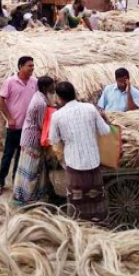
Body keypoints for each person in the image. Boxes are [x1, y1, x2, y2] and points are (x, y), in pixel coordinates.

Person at [49, 82, 111, 222]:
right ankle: (97, 220)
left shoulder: (57, 115)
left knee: (77, 195)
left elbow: (53, 139)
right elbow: (105, 131)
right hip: (93, 161)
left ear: (59, 98)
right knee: (94, 194)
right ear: (75, 93)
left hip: (74, 162)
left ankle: (78, 221)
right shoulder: (90, 108)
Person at [0, 56, 38, 196]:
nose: (32, 68)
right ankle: (0, 182)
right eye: (29, 66)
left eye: (32, 65)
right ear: (20, 67)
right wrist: (10, 118)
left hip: (28, 128)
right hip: (13, 127)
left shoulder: (34, 82)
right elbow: (0, 100)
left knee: (21, 156)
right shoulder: (10, 82)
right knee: (7, 155)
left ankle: (15, 182)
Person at [12, 76, 55, 207]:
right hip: (32, 138)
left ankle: (27, 194)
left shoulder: (38, 96)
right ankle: (27, 197)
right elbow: (42, 124)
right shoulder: (40, 102)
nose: (54, 88)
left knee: (28, 167)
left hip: (28, 136)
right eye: (52, 86)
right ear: (45, 87)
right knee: (31, 168)